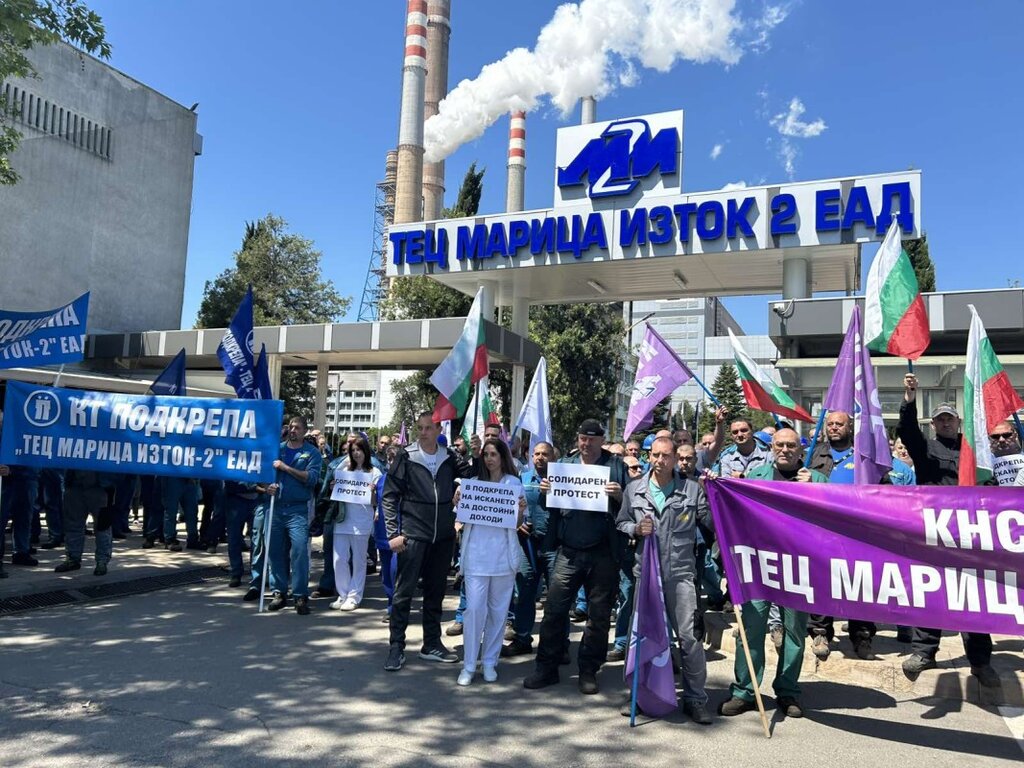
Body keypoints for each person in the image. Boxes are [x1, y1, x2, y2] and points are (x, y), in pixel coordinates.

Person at [897, 374, 999, 687]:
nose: (945, 423)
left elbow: (989, 484)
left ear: (958, 422)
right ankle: (924, 653)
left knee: (972, 598)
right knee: (932, 593)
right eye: (940, 419)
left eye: (949, 419)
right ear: (933, 424)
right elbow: (907, 431)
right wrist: (909, 400)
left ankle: (980, 662)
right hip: (934, 533)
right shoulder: (925, 449)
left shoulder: (975, 451)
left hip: (970, 535)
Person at [719, 428, 827, 719]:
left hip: (798, 566)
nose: (784, 450)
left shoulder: (817, 480)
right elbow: (736, 515)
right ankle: (745, 691)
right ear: (772, 448)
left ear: (800, 449)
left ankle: (788, 690)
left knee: (794, 632)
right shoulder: (756, 476)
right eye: (779, 445)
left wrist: (814, 492)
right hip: (760, 565)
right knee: (750, 629)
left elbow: (830, 520)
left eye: (791, 445)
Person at [524, 418, 627, 696]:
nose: (586, 444)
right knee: (554, 611)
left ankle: (589, 669)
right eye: (583, 438)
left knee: (598, 615)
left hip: (603, 552)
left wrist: (620, 496)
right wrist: (546, 492)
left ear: (601, 440)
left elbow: (631, 505)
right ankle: (546, 667)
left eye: (592, 439)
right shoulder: (565, 465)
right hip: (568, 551)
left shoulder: (615, 466)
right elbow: (550, 506)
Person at [616, 436, 713, 724]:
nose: (660, 460)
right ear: (649, 456)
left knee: (689, 639)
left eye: (666, 455)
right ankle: (641, 695)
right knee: (642, 637)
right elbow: (621, 522)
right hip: (646, 575)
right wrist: (635, 529)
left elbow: (711, 521)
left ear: (675, 458)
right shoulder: (634, 489)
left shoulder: (692, 489)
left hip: (680, 575)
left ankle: (695, 699)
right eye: (655, 455)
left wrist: (716, 492)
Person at [382, 412, 474, 672]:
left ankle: (431, 644)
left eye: (428, 428)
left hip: (443, 536)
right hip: (413, 535)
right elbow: (389, 496)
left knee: (435, 593)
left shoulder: (450, 456)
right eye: (420, 428)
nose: (423, 433)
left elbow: (474, 477)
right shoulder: (406, 456)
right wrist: (393, 533)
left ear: (438, 430)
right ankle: (396, 647)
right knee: (403, 594)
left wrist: (461, 484)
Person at [454, 438, 526, 686]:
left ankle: (489, 662)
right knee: (474, 610)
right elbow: (461, 518)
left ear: (503, 457)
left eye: (494, 454)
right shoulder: (473, 484)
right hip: (476, 557)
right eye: (486, 454)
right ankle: (469, 665)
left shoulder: (513, 484)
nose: (489, 459)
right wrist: (458, 502)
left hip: (503, 559)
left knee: (498, 612)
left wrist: (520, 511)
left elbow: (517, 524)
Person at [805, 410, 877, 660]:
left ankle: (862, 634)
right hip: (821, 529)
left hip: (856, 531)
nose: (834, 428)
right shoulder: (814, 454)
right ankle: (820, 631)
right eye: (830, 424)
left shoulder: (863, 456)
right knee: (821, 580)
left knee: (858, 582)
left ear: (850, 428)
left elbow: (883, 487)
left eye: (839, 424)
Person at [503, 441, 558, 657]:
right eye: (536, 454)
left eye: (545, 454)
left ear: (553, 457)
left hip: (554, 545)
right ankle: (522, 638)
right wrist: (517, 525)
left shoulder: (563, 480)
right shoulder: (521, 480)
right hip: (527, 545)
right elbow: (510, 508)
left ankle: (557, 644)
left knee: (556, 597)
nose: (540, 458)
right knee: (524, 592)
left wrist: (554, 492)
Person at [265, 415, 323, 615]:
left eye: (297, 427)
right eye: (290, 426)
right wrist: (267, 487)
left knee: (298, 552)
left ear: (305, 431)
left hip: (297, 510)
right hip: (276, 508)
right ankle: (279, 592)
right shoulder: (277, 449)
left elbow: (312, 479)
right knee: (275, 552)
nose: (292, 430)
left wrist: (286, 468)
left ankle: (299, 594)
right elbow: (264, 474)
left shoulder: (312, 453)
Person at [325, 435, 381, 611]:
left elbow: (376, 501)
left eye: (359, 450)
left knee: (359, 560)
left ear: (366, 451)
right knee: (339, 559)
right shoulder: (344, 470)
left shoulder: (374, 472)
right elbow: (334, 487)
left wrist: (373, 492)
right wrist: (334, 486)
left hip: (362, 521)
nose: (356, 453)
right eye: (353, 450)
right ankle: (343, 594)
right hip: (342, 520)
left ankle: (354, 596)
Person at [53, 470, 117, 576]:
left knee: (103, 525)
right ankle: (73, 559)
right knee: (73, 524)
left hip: (101, 485)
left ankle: (102, 561)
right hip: (74, 483)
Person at [990, 421, 1024, 486]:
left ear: (1015, 435)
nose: (1001, 440)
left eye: (1006, 435)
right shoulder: (984, 464)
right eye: (995, 436)